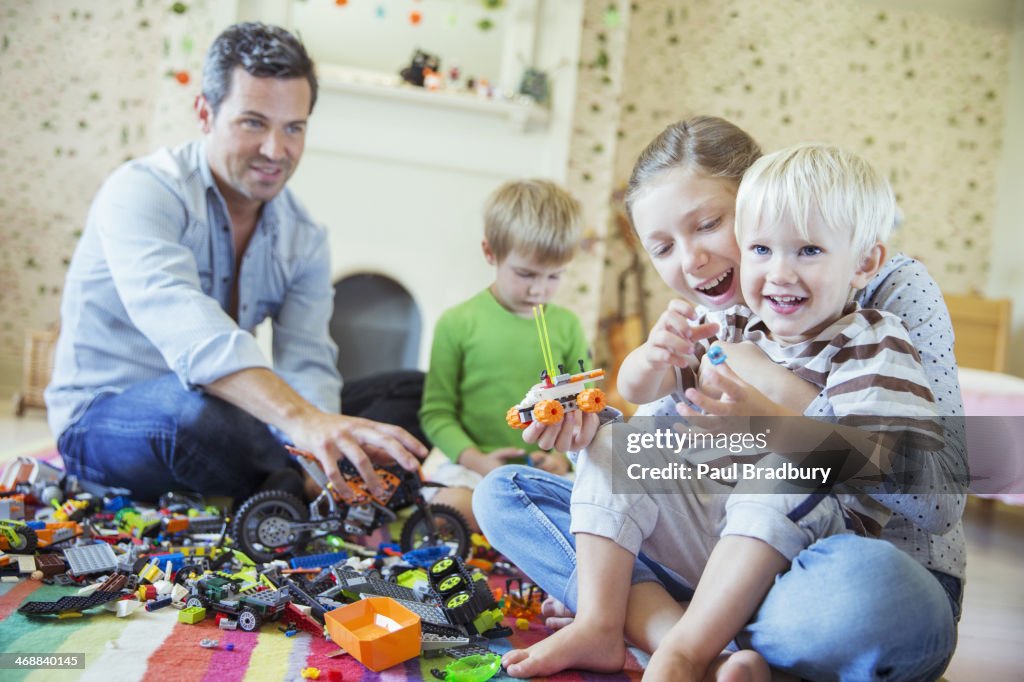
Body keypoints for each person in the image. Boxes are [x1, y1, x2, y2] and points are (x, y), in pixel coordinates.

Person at [475, 117, 966, 681]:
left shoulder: (876, 318)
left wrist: (772, 409)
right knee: (507, 493)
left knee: (872, 594)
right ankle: (672, 641)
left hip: (833, 569)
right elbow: (659, 441)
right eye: (663, 246)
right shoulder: (726, 320)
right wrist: (593, 433)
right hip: (722, 544)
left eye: (709, 224)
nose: (691, 262)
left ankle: (674, 628)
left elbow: (937, 500)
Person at [46, 22, 426, 503]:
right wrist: (301, 422)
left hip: (229, 416)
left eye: (294, 128)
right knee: (191, 416)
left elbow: (306, 359)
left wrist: (320, 438)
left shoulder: (303, 236)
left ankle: (303, 479)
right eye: (253, 123)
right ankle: (292, 488)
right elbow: (192, 334)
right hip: (111, 418)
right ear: (205, 113)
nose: (276, 150)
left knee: (409, 390)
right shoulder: (141, 191)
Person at [418, 179, 590, 529]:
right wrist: (479, 461)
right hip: (473, 467)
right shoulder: (457, 322)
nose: (539, 289)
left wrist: (562, 458)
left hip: (545, 472)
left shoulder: (567, 325)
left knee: (598, 513)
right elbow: (436, 413)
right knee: (448, 511)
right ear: (490, 253)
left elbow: (582, 408)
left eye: (554, 276)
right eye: (525, 273)